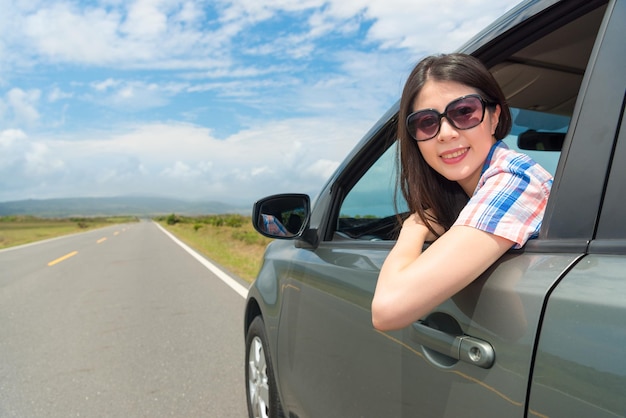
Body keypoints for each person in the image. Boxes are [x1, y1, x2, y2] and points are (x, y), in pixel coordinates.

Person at [371, 53, 553, 331]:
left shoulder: (514, 179)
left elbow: (387, 310)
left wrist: (414, 227)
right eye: (427, 122)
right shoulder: (475, 191)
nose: (445, 133)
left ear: (495, 118)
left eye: (464, 112)